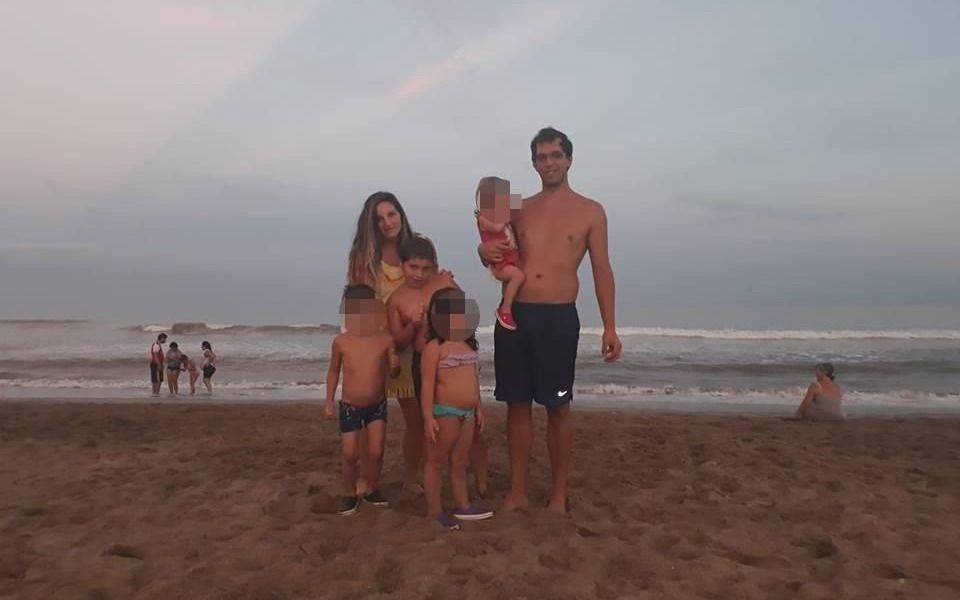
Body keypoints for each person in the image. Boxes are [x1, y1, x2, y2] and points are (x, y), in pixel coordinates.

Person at [479, 127, 622, 514]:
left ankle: (559, 494)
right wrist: (482, 251)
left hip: (558, 317)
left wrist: (609, 326)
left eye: (556, 155)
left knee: (558, 408)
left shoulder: (591, 211)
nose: (549, 163)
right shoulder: (518, 207)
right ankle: (518, 491)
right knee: (517, 405)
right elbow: (493, 247)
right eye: (541, 157)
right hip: (516, 314)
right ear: (533, 163)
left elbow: (602, 269)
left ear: (569, 159)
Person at [389, 235, 490, 498]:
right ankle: (424, 478)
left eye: (426, 268)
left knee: (471, 422)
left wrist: (466, 351)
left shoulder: (445, 283)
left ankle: (482, 479)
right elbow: (398, 342)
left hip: (455, 362)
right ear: (401, 265)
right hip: (423, 362)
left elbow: (465, 318)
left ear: (434, 266)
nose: (419, 274)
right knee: (431, 425)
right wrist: (413, 324)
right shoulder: (397, 299)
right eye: (413, 267)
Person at [347, 191, 422, 494]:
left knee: (416, 418)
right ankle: (368, 479)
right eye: (379, 219)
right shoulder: (364, 257)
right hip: (375, 345)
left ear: (401, 215)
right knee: (370, 417)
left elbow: (428, 287)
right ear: (371, 224)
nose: (387, 222)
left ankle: (411, 477)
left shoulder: (416, 246)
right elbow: (360, 306)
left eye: (392, 214)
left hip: (410, 342)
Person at [420, 287, 494, 530]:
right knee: (436, 461)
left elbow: (474, 380)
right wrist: (428, 417)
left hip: (468, 413)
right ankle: (434, 511)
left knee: (460, 461)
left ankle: (462, 505)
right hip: (445, 413)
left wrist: (478, 408)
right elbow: (427, 384)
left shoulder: (468, 346)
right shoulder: (435, 347)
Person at [324, 284, 400, 515]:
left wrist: (395, 366)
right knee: (350, 454)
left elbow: (393, 372)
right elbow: (333, 372)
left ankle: (371, 488)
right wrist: (329, 401)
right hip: (350, 406)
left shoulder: (384, 340)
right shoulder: (341, 342)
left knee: (376, 452)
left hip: (377, 406)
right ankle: (349, 493)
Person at [475, 176, 525, 330]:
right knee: (518, 276)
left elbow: (523, 204)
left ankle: (506, 309)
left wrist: (512, 202)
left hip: (509, 258)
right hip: (500, 263)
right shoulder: (483, 218)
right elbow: (497, 228)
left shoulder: (501, 214)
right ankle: (505, 310)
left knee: (516, 276)